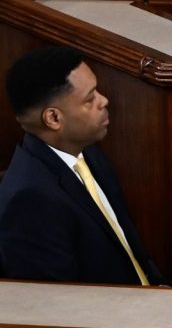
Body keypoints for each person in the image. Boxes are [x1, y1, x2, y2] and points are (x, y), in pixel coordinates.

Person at [0, 45, 161, 285]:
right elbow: (58, 306)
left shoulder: (87, 153)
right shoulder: (31, 200)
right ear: (54, 118)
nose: (104, 101)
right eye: (90, 98)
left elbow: (130, 252)